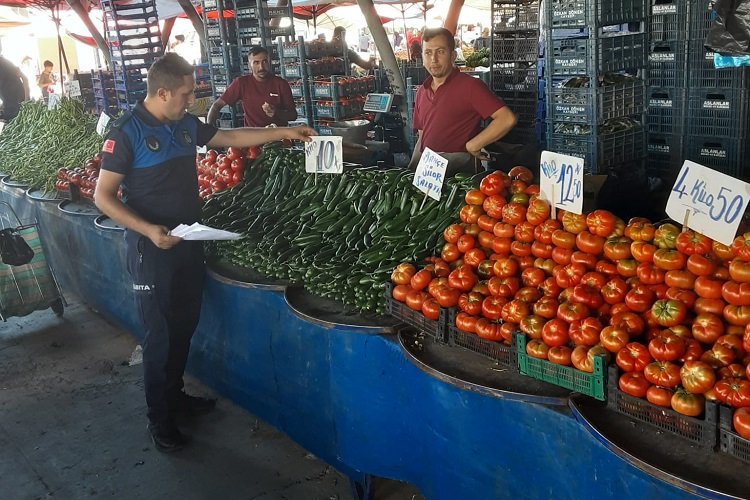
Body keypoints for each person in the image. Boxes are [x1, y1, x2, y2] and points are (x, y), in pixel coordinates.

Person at [94, 52, 315, 453]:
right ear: (162, 92)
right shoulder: (127, 133)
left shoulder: (182, 124)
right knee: (159, 336)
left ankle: (175, 396)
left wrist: (283, 132)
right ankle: (159, 419)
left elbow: (227, 137)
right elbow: (103, 197)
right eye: (186, 93)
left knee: (183, 325)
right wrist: (148, 229)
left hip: (187, 241)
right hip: (151, 248)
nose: (192, 100)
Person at [409, 27, 517, 175]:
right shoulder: (422, 91)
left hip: (460, 178)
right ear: (422, 57)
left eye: (440, 52)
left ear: (453, 56)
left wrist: (474, 145)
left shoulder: (470, 86)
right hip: (429, 175)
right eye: (428, 52)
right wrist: (414, 166)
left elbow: (506, 118)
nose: (433, 59)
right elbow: (422, 135)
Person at [206, 46, 296, 128]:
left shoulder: (281, 84)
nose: (261, 67)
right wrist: (209, 129)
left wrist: (276, 112)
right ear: (249, 66)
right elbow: (216, 105)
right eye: (256, 62)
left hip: (278, 138)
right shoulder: (241, 83)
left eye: (264, 61)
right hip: (253, 138)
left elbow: (293, 115)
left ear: (269, 63)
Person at [0, 55, 29, 120]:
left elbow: (25, 79)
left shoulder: (6, 64)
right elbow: (4, 90)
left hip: (19, 106)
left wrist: (26, 100)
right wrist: (3, 104)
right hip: (8, 107)